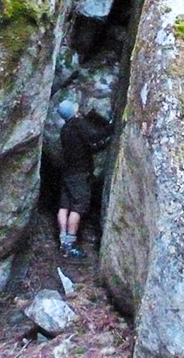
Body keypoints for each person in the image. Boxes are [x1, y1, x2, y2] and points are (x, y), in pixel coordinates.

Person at [55, 99, 112, 259]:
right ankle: (70, 244)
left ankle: (62, 239)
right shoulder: (77, 124)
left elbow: (85, 148)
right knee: (77, 208)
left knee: (64, 206)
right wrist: (111, 128)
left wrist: (103, 145)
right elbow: (94, 137)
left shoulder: (65, 130)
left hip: (67, 174)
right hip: (80, 174)